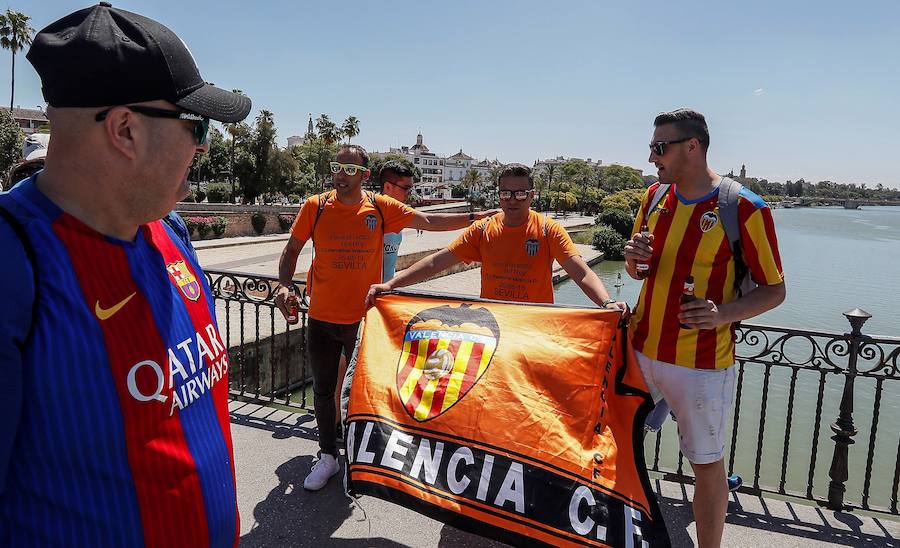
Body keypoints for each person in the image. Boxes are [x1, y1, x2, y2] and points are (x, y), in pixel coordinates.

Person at [0, 4, 251, 545]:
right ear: (125, 129)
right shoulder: (12, 262)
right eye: (196, 125)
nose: (203, 146)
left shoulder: (169, 230)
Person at [275, 144, 493, 491]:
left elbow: (430, 221)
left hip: (366, 320)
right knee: (323, 389)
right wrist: (285, 285)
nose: (341, 175)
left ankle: (359, 456)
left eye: (349, 169)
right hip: (321, 317)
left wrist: (475, 219)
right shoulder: (315, 207)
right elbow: (291, 251)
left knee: (365, 391)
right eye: (336, 167)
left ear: (363, 174)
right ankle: (328, 455)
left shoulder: (379, 207)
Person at [624, 108, 785, 547]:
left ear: (692, 147)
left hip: (700, 364)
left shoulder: (744, 207)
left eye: (660, 147)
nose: (652, 157)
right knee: (616, 447)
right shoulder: (654, 197)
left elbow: (774, 290)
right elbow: (639, 270)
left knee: (707, 464)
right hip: (638, 351)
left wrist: (723, 314)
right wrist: (632, 260)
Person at [366, 163, 624, 310]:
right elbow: (438, 262)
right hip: (493, 324)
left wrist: (607, 302)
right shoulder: (484, 229)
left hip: (534, 324)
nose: (513, 200)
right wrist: (391, 285)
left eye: (521, 194)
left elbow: (581, 272)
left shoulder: (548, 229)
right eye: (506, 193)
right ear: (498, 194)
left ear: (532, 195)